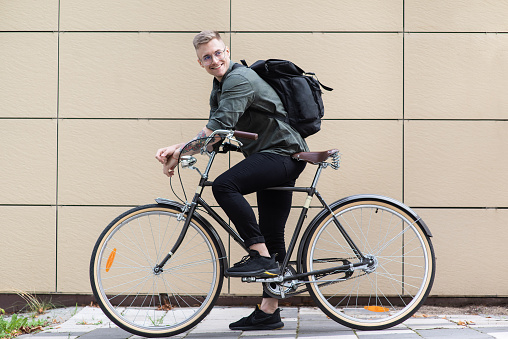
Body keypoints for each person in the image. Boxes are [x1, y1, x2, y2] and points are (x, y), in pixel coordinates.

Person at [155, 30, 309, 331]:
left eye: (218, 52)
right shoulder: (220, 85)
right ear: (200, 63)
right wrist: (182, 149)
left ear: (227, 51)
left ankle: (259, 256)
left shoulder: (238, 79)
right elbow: (215, 137)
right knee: (272, 235)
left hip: (283, 154)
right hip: (277, 155)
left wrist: (177, 149)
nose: (215, 60)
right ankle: (269, 311)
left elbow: (217, 127)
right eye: (207, 57)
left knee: (225, 186)